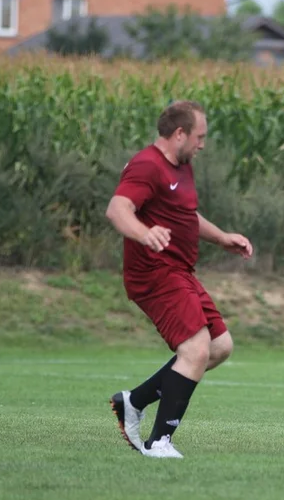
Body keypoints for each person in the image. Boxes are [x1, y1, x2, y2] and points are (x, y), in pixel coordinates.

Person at [106, 100, 254, 459]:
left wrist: (221, 237)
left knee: (219, 347)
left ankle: (134, 401)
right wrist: (143, 234)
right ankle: (159, 442)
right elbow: (118, 209)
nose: (203, 144)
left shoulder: (181, 166)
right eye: (199, 136)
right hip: (155, 274)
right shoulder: (146, 166)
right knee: (196, 350)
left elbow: (184, 214)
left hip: (180, 271)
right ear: (179, 134)